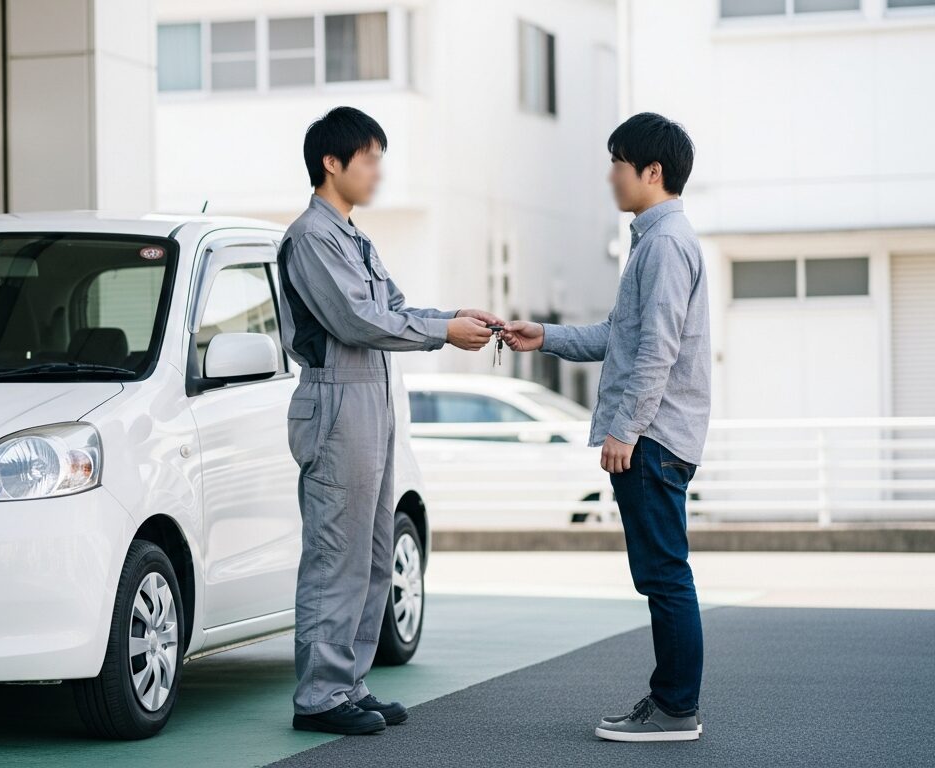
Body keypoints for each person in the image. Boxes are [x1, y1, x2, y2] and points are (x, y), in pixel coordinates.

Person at [277, 106, 502, 735]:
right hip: (337, 400)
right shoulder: (311, 238)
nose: (378, 172)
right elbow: (358, 321)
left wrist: (456, 316)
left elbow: (395, 308)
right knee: (335, 555)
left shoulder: (353, 235)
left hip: (372, 399)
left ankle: (348, 683)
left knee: (374, 553)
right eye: (370, 158)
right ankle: (319, 697)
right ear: (332, 162)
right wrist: (442, 334)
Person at [503, 112, 709, 742]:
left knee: (664, 574)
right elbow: (619, 337)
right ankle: (671, 702)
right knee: (663, 572)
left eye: (618, 162)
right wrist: (546, 337)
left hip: (654, 436)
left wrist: (625, 430)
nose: (610, 174)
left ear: (653, 172)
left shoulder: (667, 244)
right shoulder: (653, 240)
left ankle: (675, 709)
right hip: (655, 432)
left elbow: (657, 351)